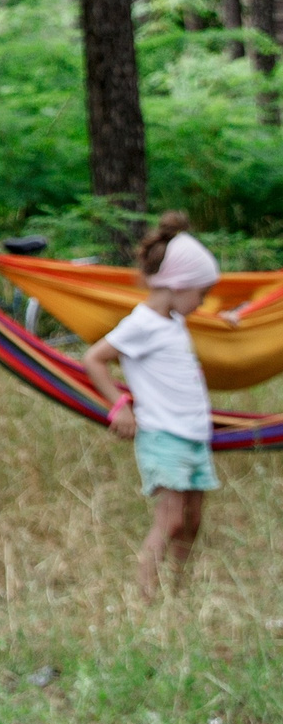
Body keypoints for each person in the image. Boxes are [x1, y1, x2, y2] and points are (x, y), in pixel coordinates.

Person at [83, 213, 222, 600]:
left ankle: (175, 593)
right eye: (201, 293)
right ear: (177, 286)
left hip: (194, 435)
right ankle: (144, 596)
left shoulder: (173, 321)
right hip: (164, 435)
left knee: (192, 521)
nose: (203, 302)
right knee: (171, 519)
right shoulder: (141, 323)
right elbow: (94, 358)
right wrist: (120, 407)